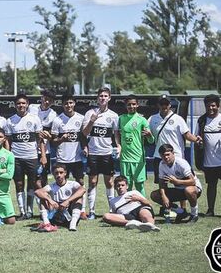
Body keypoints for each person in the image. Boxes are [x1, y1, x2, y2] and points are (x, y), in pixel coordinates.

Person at [81, 87, 119, 218]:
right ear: (97, 98)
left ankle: (112, 210)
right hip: (93, 153)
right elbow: (85, 133)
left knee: (109, 182)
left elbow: (116, 134)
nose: (103, 98)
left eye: (105, 96)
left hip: (107, 153)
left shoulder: (113, 115)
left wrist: (118, 146)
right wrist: (92, 121)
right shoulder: (90, 113)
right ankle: (91, 211)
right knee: (92, 182)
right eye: (100, 96)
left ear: (109, 98)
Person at [6, 93, 45, 219]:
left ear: (27, 104)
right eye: (18, 103)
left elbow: (40, 140)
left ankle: (30, 210)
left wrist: (43, 155)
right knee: (19, 184)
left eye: (23, 103)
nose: (21, 105)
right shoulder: (10, 120)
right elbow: (8, 140)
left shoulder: (34, 119)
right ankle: (22, 212)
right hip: (16, 158)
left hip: (32, 157)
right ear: (15, 105)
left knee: (32, 184)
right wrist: (8, 156)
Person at [148, 94, 198, 184]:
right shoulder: (152, 119)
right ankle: (165, 198)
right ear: (158, 105)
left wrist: (197, 140)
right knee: (162, 186)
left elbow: (187, 135)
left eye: (166, 104)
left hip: (176, 156)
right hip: (159, 157)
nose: (164, 106)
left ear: (170, 105)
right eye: (161, 104)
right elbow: (146, 133)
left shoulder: (178, 119)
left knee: (182, 184)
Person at [150, 144, 202, 223]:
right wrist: (164, 196)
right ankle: (181, 211)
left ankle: (194, 215)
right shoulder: (162, 164)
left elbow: (192, 181)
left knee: (189, 190)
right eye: (163, 155)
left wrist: (177, 181)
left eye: (168, 154)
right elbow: (162, 183)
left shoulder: (181, 163)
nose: (166, 157)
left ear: (173, 153)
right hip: (179, 190)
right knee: (155, 195)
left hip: (194, 188)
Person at [117, 95, 154, 196]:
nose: (131, 106)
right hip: (125, 158)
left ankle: (143, 208)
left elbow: (151, 141)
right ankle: (126, 209)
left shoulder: (142, 120)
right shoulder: (121, 119)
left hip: (138, 159)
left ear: (137, 105)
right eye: (129, 104)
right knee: (126, 186)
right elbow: (116, 133)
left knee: (139, 185)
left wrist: (149, 135)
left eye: (134, 104)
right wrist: (118, 146)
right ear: (126, 105)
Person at [33, 163, 86, 232]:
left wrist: (67, 201)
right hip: (56, 215)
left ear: (65, 173)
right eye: (56, 173)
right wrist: (50, 200)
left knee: (79, 197)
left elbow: (83, 190)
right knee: (43, 198)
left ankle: (73, 224)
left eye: (61, 173)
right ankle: (47, 224)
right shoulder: (51, 186)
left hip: (69, 215)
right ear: (53, 174)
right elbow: (37, 192)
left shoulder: (72, 184)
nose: (59, 175)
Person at [51, 94, 85, 184]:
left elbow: (83, 137)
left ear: (74, 104)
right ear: (62, 105)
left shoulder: (81, 118)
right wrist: (61, 139)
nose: (69, 105)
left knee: (80, 182)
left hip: (76, 158)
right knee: (61, 182)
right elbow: (53, 142)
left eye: (71, 103)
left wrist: (85, 147)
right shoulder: (57, 120)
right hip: (62, 159)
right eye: (66, 103)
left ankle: (82, 198)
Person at [29, 89, 58, 187]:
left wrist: (49, 136)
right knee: (33, 180)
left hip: (45, 151)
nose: (47, 102)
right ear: (41, 97)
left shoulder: (53, 114)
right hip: (30, 149)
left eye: (50, 100)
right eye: (45, 99)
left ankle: (44, 201)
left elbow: (53, 136)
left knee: (43, 179)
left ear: (53, 102)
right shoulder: (31, 108)